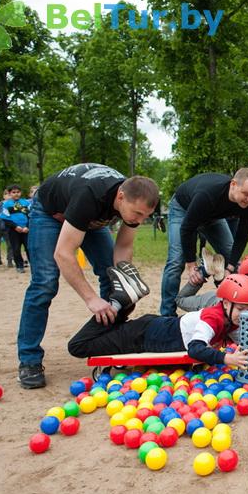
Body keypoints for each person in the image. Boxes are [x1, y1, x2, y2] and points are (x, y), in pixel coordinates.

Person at [16, 163, 159, 389]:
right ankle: (29, 360)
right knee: (45, 283)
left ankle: (109, 345)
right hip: (51, 213)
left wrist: (123, 282)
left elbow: (122, 247)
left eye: (147, 216)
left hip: (90, 219)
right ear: (121, 197)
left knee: (112, 280)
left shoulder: (133, 199)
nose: (140, 220)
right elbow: (63, 254)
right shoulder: (90, 195)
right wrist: (92, 299)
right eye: (138, 214)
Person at [69, 273, 248, 368]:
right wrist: (227, 358)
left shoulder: (231, 316)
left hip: (153, 328)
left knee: (110, 333)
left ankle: (123, 306)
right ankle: (119, 303)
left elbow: (245, 342)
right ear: (225, 303)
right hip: (141, 337)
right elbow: (196, 348)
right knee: (77, 347)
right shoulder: (213, 317)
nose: (244, 314)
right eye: (240, 309)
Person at [159, 169, 248, 316]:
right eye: (246, 194)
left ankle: (233, 311)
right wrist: (191, 264)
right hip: (183, 209)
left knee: (233, 258)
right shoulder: (208, 195)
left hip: (212, 217)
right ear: (233, 185)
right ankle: (167, 315)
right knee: (176, 261)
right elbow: (187, 228)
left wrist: (230, 267)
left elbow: (242, 236)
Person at [177, 253, 248, 312]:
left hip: (224, 292)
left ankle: (218, 276)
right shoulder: (228, 301)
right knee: (180, 300)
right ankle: (204, 272)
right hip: (209, 302)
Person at [0, 184, 31, 273]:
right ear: (9, 193)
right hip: (13, 231)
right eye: (13, 192)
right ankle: (19, 266)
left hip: (25, 230)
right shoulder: (6, 205)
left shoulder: (26, 203)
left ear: (20, 193)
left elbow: (31, 216)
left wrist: (27, 227)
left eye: (18, 192)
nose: (16, 194)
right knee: (16, 249)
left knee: (29, 248)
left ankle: (33, 264)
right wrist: (15, 227)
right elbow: (5, 219)